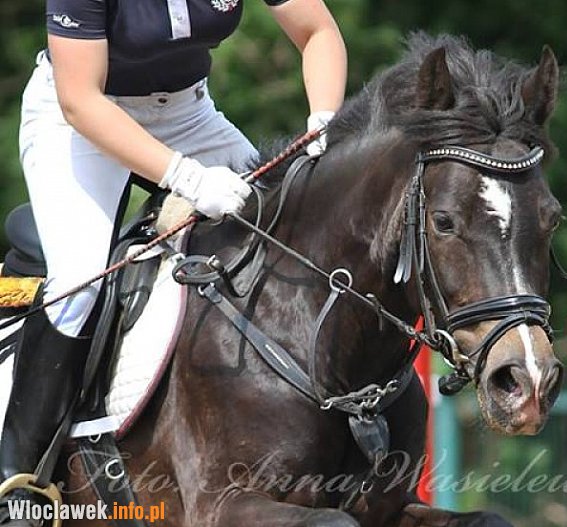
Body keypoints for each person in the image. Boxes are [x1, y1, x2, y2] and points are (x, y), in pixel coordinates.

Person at [0, 0, 346, 524]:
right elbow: (80, 101)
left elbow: (316, 31)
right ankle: (18, 478)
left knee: (291, 236)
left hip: (188, 115)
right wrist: (186, 178)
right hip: (81, 121)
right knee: (80, 284)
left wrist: (325, 119)